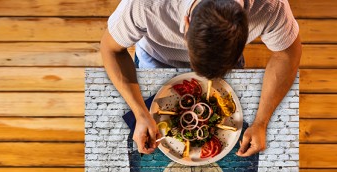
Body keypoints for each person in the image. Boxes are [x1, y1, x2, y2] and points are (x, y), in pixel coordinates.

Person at [101, 0, 302, 156]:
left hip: (229, 68)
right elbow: (110, 49)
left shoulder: (270, 6)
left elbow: (287, 54)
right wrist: (140, 114)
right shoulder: (144, 5)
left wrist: (261, 123)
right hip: (156, 59)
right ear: (186, 22)